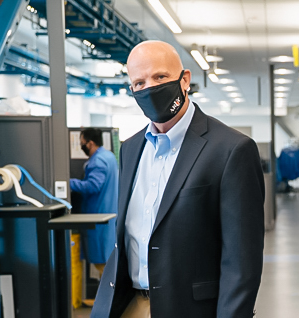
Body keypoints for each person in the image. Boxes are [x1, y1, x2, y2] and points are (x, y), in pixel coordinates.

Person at [91, 41, 265, 318]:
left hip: (191, 309)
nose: (150, 88)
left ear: (185, 80)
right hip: (129, 305)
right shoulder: (130, 148)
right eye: (139, 83)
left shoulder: (231, 149)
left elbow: (242, 261)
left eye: (160, 77)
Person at [70, 128, 118, 279]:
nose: (81, 146)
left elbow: (93, 186)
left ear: (90, 143)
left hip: (98, 215)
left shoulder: (97, 161)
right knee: (107, 263)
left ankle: (111, 301)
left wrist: (68, 182)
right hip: (108, 212)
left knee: (103, 265)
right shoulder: (109, 156)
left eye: (82, 143)